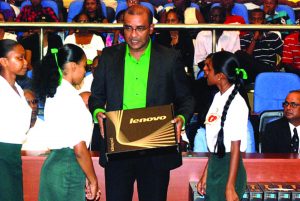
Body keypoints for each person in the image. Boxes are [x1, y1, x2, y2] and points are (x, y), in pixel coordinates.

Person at [89, 5, 194, 201]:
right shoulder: (109, 57)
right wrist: (98, 113)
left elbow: (186, 98)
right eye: (128, 28)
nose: (133, 35)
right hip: (118, 144)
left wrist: (181, 119)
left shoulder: (170, 58)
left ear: (151, 29)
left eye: (140, 28)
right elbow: (96, 96)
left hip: (156, 146)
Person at [33, 44, 101, 201]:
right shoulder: (69, 97)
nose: (86, 71)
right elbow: (78, 147)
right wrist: (93, 179)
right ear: (73, 66)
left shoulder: (55, 93)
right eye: (84, 66)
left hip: (55, 166)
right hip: (67, 167)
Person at [197, 51, 247, 201]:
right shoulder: (218, 98)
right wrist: (206, 173)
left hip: (229, 168)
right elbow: (216, 142)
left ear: (220, 76)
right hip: (216, 166)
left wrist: (230, 186)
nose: (205, 69)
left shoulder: (238, 104)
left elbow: (235, 148)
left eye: (209, 67)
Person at [0, 39, 31, 201]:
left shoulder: (18, 88)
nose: (25, 62)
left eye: (24, 57)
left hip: (12, 153)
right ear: (4, 61)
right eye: (19, 58)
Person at [236, 8, 283, 83]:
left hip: (268, 69)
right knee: (239, 54)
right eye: (253, 19)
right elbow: (246, 58)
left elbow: (282, 56)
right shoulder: (245, 38)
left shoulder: (273, 36)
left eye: (259, 19)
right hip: (252, 70)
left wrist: (277, 69)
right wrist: (254, 38)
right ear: (250, 21)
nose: (256, 22)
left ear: (264, 21)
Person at [156, 8, 194, 76]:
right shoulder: (160, 37)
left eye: (173, 20)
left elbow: (189, 60)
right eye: (168, 21)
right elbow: (159, 60)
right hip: (165, 72)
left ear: (179, 22)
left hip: (182, 72)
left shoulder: (186, 37)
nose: (170, 23)